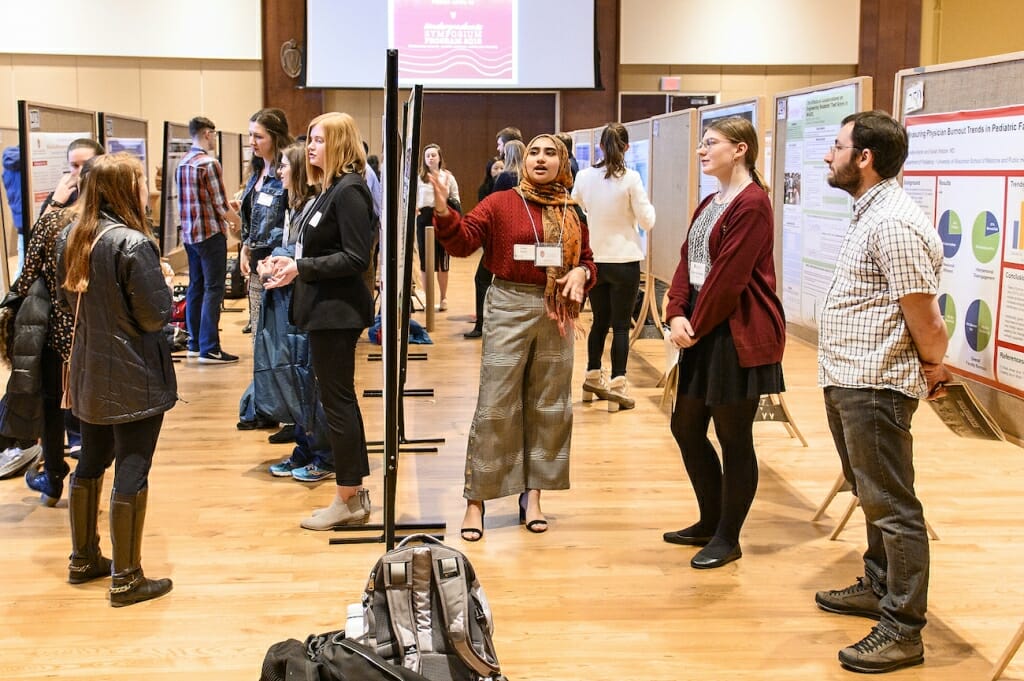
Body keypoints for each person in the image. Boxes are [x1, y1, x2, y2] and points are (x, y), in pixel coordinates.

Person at [814, 110, 951, 674]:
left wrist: (934, 366)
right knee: (871, 495)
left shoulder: (893, 221)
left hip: (875, 385)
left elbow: (924, 315)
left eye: (838, 146)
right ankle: (878, 586)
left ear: (864, 158)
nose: (829, 155)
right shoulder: (871, 213)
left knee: (893, 507)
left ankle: (903, 628)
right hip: (850, 378)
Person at [428, 134, 596, 541]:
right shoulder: (501, 203)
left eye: (550, 153)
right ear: (522, 161)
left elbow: (587, 261)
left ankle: (533, 496)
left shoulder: (573, 210)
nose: (541, 158)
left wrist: (581, 274)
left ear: (563, 162)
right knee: (496, 403)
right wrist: (444, 210)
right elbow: (464, 240)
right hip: (507, 305)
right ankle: (476, 500)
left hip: (556, 312)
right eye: (534, 152)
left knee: (549, 405)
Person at [663, 117, 785, 570]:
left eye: (710, 143)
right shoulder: (712, 201)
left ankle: (727, 537)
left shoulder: (753, 203)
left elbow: (729, 278)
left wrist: (690, 324)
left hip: (735, 334)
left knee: (734, 438)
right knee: (686, 426)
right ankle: (710, 520)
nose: (701, 150)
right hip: (699, 325)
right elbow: (687, 261)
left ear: (740, 149)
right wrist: (676, 311)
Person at [58, 152, 177, 606]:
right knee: (133, 464)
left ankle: (83, 558)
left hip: (90, 369)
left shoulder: (73, 236)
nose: (147, 189)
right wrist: (164, 283)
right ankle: (127, 578)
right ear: (126, 188)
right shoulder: (132, 243)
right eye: (142, 180)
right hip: (135, 375)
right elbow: (154, 316)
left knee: (91, 459)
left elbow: (72, 305)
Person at [262, 112, 376, 530]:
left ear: (341, 143)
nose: (309, 147)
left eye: (319, 139)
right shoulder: (328, 190)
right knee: (337, 403)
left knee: (339, 405)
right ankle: (352, 495)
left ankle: (348, 497)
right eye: (309, 138)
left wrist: (300, 266)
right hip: (324, 312)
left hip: (337, 314)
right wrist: (288, 261)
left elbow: (355, 258)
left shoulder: (349, 191)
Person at [257, 142, 335, 483]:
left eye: (285, 166)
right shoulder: (294, 206)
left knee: (307, 380)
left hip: (302, 304)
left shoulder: (315, 206)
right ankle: (305, 447)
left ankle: (324, 454)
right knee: (293, 378)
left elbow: (307, 251)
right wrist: (270, 258)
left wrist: (279, 257)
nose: (279, 172)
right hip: (288, 302)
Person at [572, 122, 656, 411]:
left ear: (600, 147)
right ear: (627, 148)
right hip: (625, 261)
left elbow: (577, 205)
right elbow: (648, 221)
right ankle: (619, 384)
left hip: (594, 260)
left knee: (599, 322)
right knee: (621, 327)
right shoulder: (631, 179)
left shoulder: (583, 176)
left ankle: (592, 376)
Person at [237, 108, 293, 432]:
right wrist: (245, 247)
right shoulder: (255, 172)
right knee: (258, 338)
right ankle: (266, 404)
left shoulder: (285, 173)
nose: (252, 142)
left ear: (275, 137)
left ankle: (285, 410)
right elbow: (251, 220)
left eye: (258, 136)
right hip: (256, 267)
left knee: (276, 339)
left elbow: (288, 221)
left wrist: (270, 255)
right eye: (250, 136)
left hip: (277, 266)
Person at [175, 116, 242, 364]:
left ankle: (194, 343)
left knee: (196, 287)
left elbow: (195, 201)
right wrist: (237, 222)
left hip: (190, 236)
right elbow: (220, 204)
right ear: (207, 133)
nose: (214, 138)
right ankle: (210, 348)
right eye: (213, 134)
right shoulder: (209, 163)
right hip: (211, 234)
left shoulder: (183, 163)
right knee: (214, 289)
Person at [415, 143, 460, 312]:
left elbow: (456, 198)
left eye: (434, 155)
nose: (430, 158)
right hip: (423, 219)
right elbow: (411, 198)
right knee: (426, 262)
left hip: (442, 219)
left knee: (443, 260)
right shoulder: (418, 178)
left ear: (440, 157)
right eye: (427, 155)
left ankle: (443, 298)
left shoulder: (447, 177)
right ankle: (428, 298)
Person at [40, 138, 105, 217]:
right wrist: (56, 202)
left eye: (87, 165)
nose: (81, 171)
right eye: (75, 166)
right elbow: (39, 228)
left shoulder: (109, 194)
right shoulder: (63, 194)